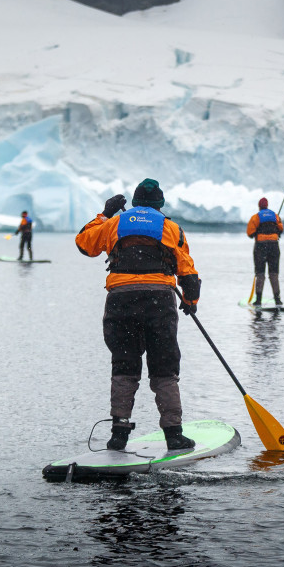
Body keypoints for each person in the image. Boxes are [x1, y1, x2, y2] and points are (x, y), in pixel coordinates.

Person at [75, 178, 201, 451]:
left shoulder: (114, 224)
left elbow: (85, 244)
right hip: (158, 302)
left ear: (133, 203)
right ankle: (173, 434)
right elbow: (188, 271)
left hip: (121, 302)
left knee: (124, 365)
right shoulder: (170, 227)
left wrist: (104, 214)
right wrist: (190, 300)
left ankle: (119, 434)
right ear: (160, 204)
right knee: (164, 367)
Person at [247, 197, 284, 306]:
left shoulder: (256, 217)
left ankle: (258, 300)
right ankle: (277, 299)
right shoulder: (275, 216)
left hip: (260, 248)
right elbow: (280, 229)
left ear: (259, 206)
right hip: (274, 246)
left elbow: (250, 233)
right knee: (274, 273)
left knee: (260, 273)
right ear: (267, 205)